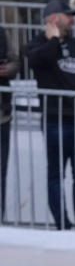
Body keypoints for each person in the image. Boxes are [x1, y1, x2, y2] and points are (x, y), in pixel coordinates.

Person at [27, 0, 75, 231]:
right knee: (56, 176)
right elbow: (39, 60)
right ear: (54, 19)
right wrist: (54, 39)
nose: (73, 20)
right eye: (68, 16)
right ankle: (62, 224)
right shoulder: (37, 45)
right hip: (56, 120)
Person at [0, 23, 18, 222]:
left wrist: (7, 69)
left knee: (0, 174)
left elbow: (16, 62)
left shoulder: (2, 32)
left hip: (2, 117)